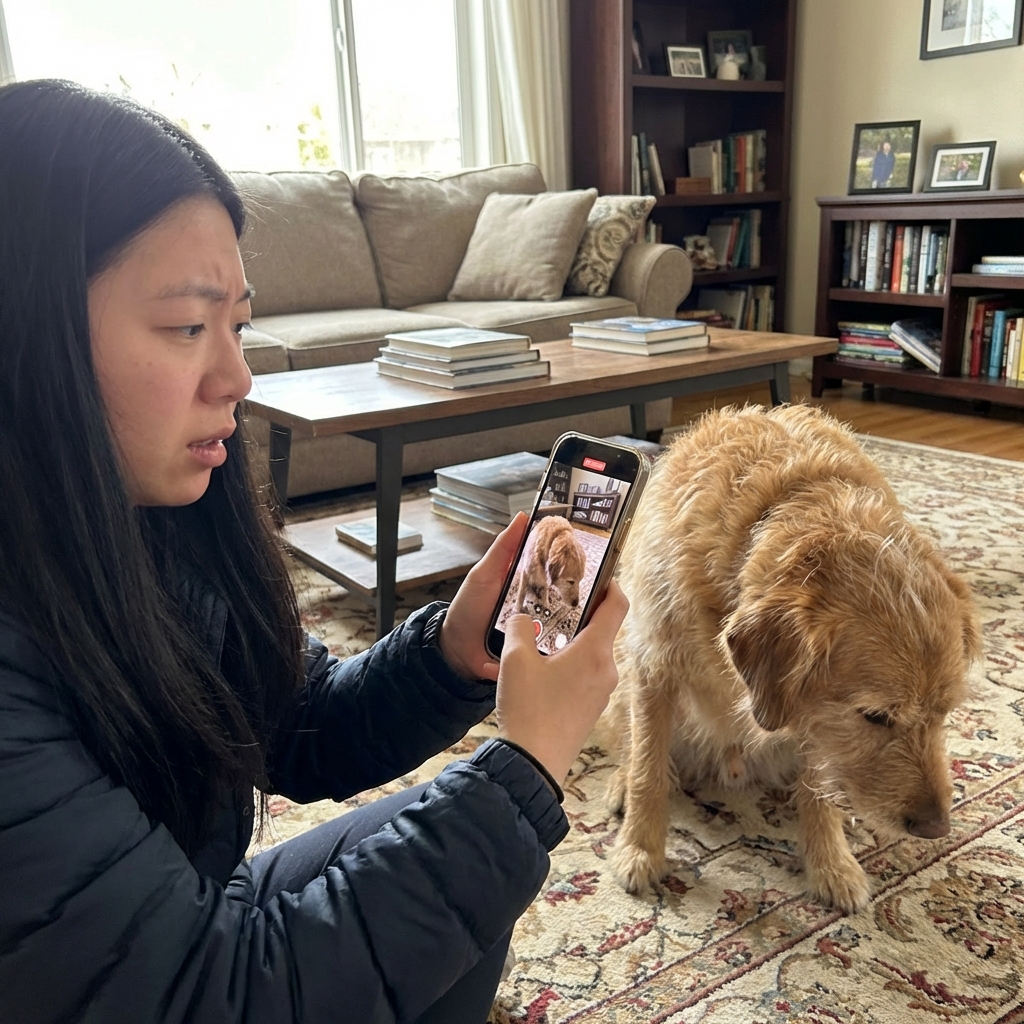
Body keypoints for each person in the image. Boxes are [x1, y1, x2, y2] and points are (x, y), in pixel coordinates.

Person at [0, 79, 629, 1024]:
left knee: (460, 868)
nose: (237, 375)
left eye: (239, 325)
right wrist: (533, 758)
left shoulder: (146, 519)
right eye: (184, 327)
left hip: (171, 941)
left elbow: (288, 720)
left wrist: (450, 653)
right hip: (171, 989)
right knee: (475, 837)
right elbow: (212, 996)